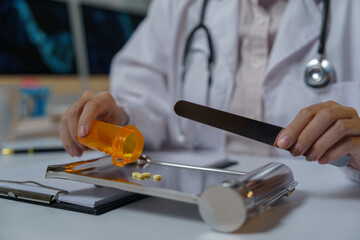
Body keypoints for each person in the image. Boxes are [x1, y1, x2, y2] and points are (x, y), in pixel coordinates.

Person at [59, 0, 360, 182]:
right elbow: (143, 99)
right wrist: (120, 117)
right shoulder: (178, 7)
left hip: (324, 209)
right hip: (200, 200)